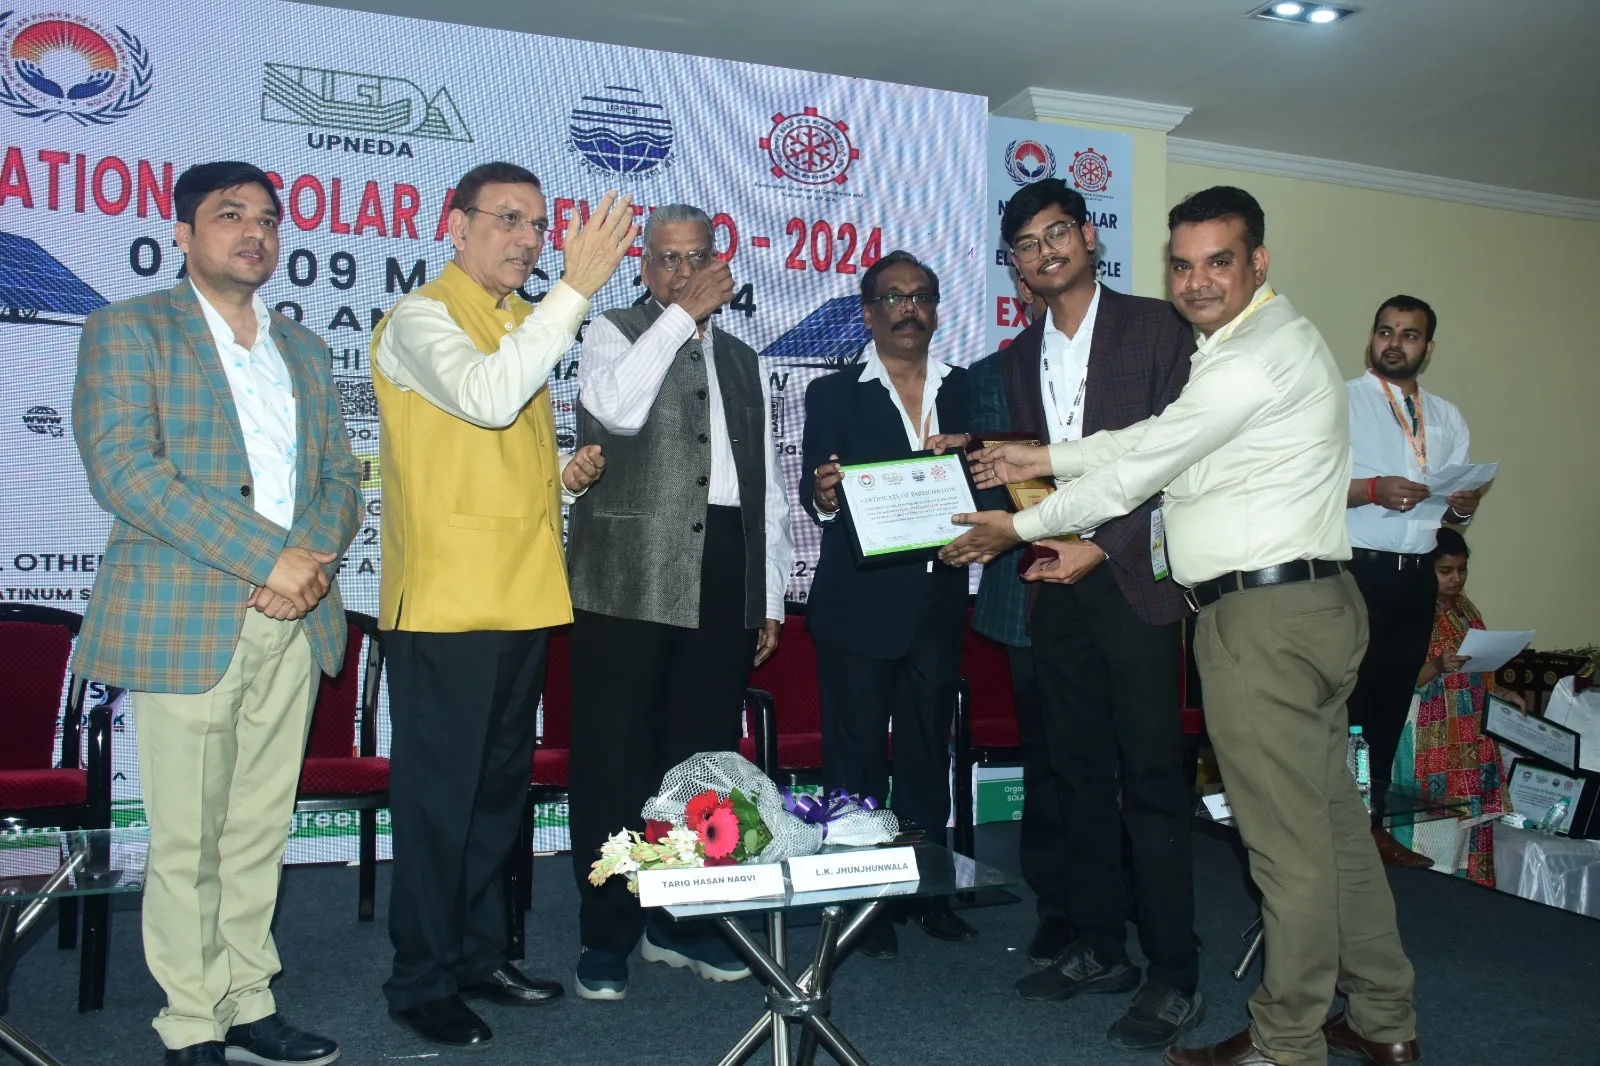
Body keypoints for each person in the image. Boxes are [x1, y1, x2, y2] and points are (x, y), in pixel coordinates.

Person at [942, 186, 1421, 1066]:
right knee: (1332, 830)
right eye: (1184, 264)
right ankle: (1384, 1016)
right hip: (1297, 607)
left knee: (1285, 849)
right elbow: (1151, 437)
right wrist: (1040, 455)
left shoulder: (1246, 357)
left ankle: (1286, 1041)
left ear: (1258, 262)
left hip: (1263, 619)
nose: (1197, 281)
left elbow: (1144, 467)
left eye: (1219, 261)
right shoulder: (1244, 345)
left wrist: (1019, 525)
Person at [72, 161, 361, 1066]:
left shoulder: (303, 349)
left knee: (258, 829)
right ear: (184, 234)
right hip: (186, 616)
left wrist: (301, 567)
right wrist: (265, 558)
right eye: (230, 215)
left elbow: (339, 479)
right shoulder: (129, 330)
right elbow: (127, 472)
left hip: (294, 616)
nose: (255, 232)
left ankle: (248, 999)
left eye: (268, 219)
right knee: (188, 836)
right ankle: (191, 1019)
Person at [371, 163, 636, 1049]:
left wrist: (561, 478)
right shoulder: (420, 318)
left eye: (538, 225)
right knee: (439, 804)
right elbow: (485, 400)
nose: (528, 240)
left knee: (495, 800)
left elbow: (485, 457)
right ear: (455, 225)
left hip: (521, 596)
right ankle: (420, 978)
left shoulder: (520, 321)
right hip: (446, 606)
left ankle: (480, 956)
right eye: (509, 220)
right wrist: (576, 288)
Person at [966, 179, 1200, 1051]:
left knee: (1152, 781)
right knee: (1075, 776)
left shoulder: (1159, 329)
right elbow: (1036, 475)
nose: (1045, 251)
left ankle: (1175, 970)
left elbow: (1181, 457)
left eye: (1057, 231)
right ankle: (1101, 946)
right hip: (1052, 583)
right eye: (1026, 244)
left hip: (1132, 578)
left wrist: (1104, 545)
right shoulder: (1018, 357)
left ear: (1089, 237)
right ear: (1016, 267)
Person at [567, 203, 794, 1001]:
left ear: (720, 262)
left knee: (700, 760)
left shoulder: (744, 357)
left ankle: (683, 921)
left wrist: (769, 592)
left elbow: (764, 483)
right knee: (614, 755)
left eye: (697, 258)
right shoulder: (612, 330)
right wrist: (677, 320)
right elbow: (616, 410)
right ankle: (606, 931)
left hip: (724, 561)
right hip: (627, 567)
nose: (683, 272)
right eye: (667, 258)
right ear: (643, 266)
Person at [800, 250, 978, 958]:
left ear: (935, 310)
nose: (909, 308)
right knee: (855, 760)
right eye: (894, 297)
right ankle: (861, 902)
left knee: (929, 752)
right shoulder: (833, 393)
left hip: (939, 597)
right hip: (859, 603)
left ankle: (928, 894)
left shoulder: (969, 391)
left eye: (921, 296)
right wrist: (824, 495)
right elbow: (818, 494)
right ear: (869, 313)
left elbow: (989, 483)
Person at [1344, 295, 1480, 868]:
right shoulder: (1342, 402)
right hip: (1356, 569)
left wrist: (1462, 509)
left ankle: (1371, 825)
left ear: (1429, 348)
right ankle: (1338, 829)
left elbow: (1447, 508)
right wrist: (1371, 491)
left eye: (1409, 335)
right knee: (1347, 702)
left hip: (1416, 576)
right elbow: (1306, 485)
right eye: (1385, 331)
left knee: (1392, 700)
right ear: (1372, 338)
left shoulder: (1447, 417)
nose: (1394, 343)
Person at [966, 271, 1076, 967]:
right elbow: (995, 485)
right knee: (1049, 758)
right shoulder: (990, 376)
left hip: (1117, 582)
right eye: (1032, 282)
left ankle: (1120, 887)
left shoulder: (1123, 365)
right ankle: (1058, 905)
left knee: (1120, 755)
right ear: (1020, 290)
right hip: (1030, 587)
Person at [1392, 528, 1519, 885]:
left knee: (1468, 818)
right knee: (1435, 820)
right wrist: (1435, 666)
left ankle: (1467, 893)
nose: (1456, 578)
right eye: (1446, 571)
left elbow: (1477, 668)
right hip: (1431, 727)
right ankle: (1430, 892)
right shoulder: (1411, 611)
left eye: (1462, 569)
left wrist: (1502, 692)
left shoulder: (1465, 609)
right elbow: (1395, 679)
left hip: (1470, 727)